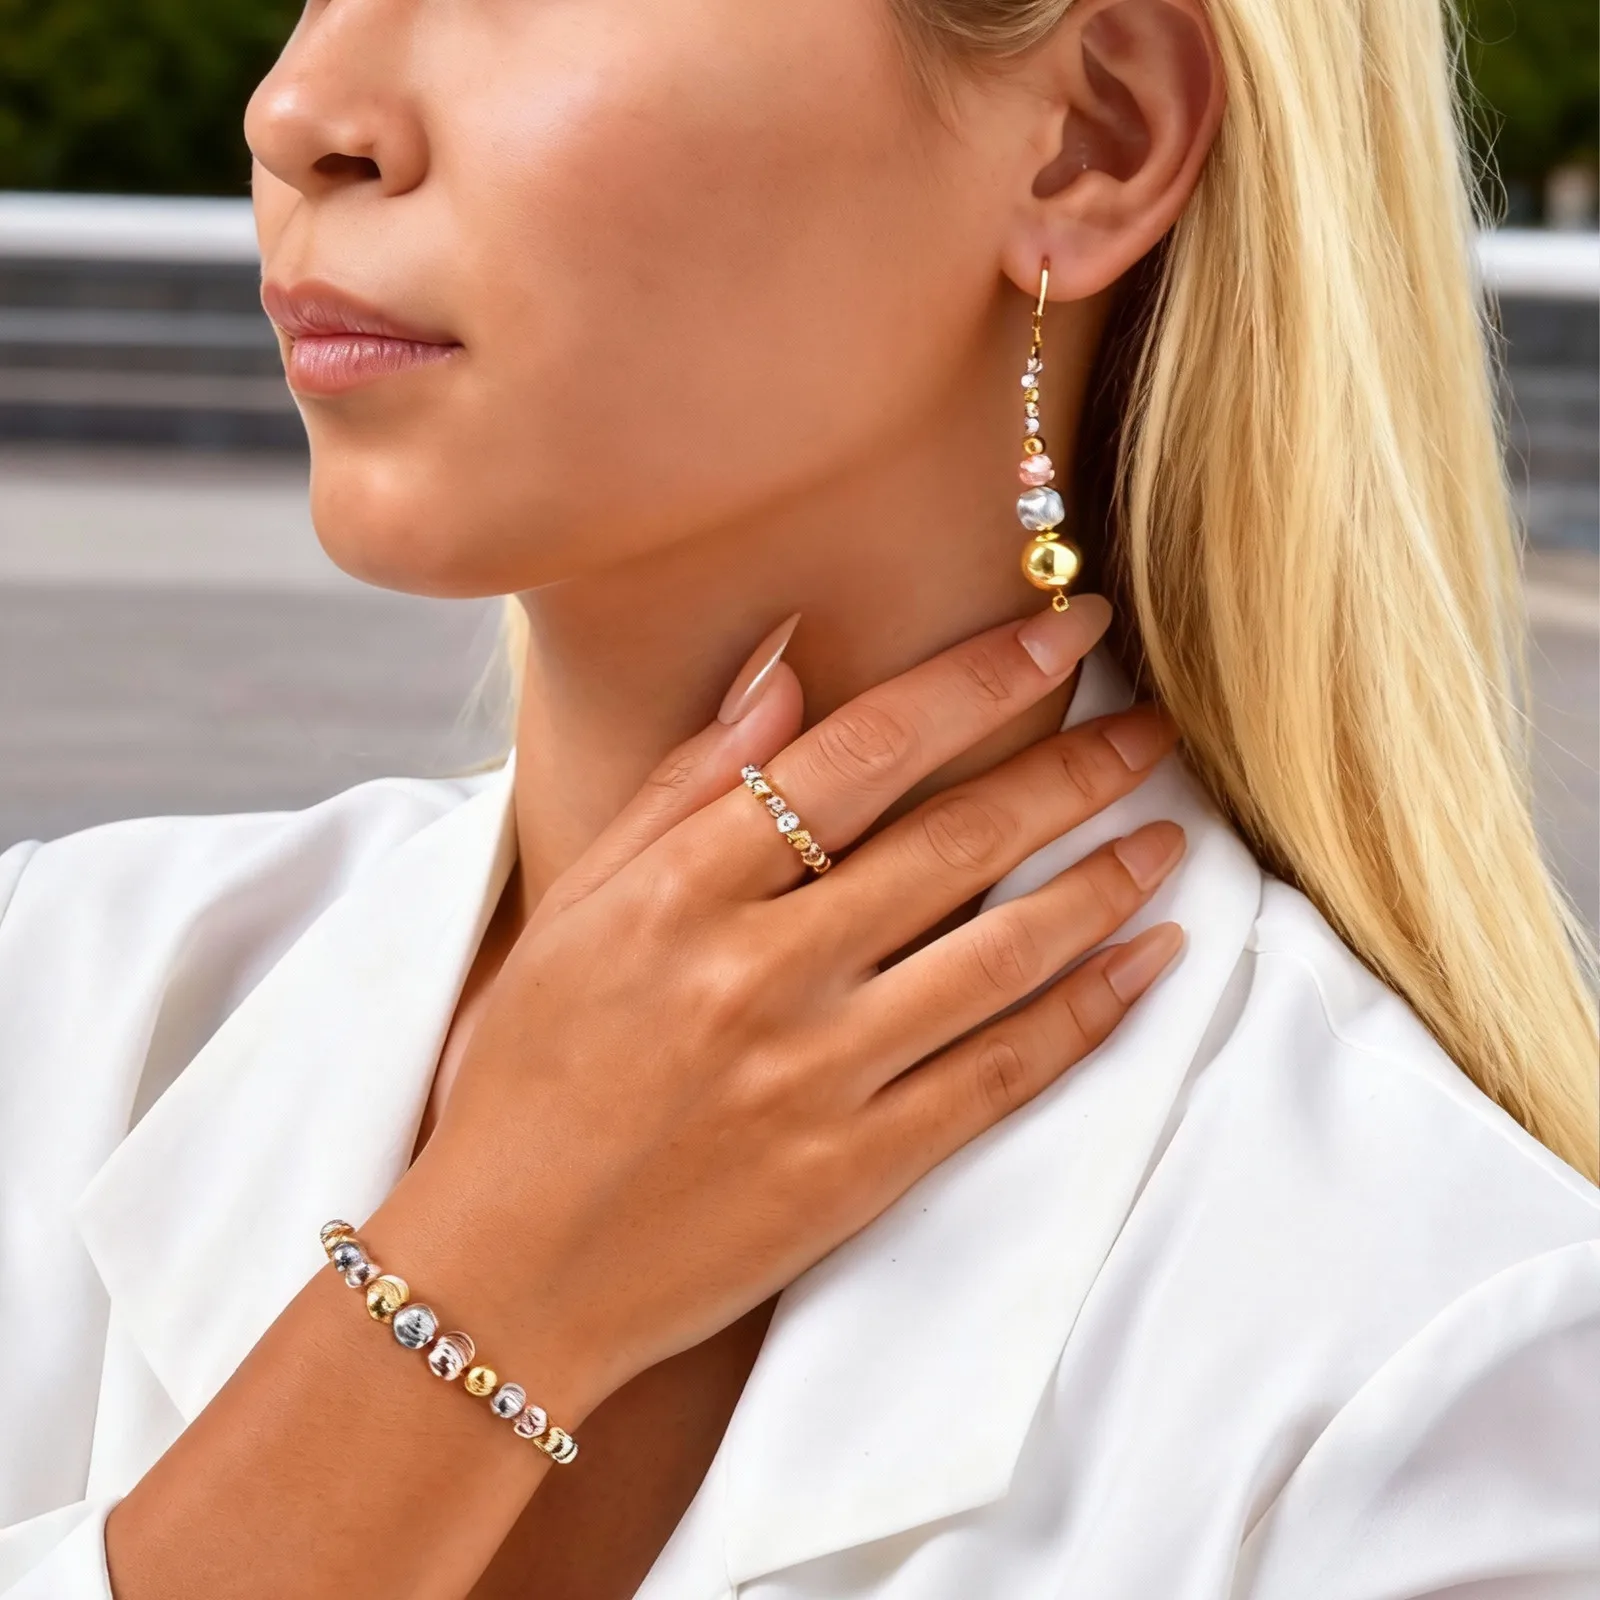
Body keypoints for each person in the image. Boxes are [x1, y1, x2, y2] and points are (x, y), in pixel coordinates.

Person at [2, 0, 1596, 1595]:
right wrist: (489, 1277)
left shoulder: (1440, 1369)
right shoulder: (46, 988)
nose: (297, 110)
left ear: (1092, 135)